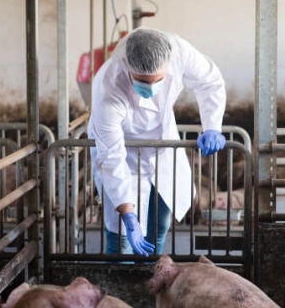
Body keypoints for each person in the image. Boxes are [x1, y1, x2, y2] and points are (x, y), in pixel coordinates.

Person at [86, 27, 227, 257]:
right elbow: (111, 159)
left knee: (160, 225)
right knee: (121, 236)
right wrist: (128, 215)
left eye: (158, 80)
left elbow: (210, 82)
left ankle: (150, 279)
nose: (151, 87)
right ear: (127, 69)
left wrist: (212, 126)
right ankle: (119, 284)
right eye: (142, 81)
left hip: (163, 147)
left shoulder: (179, 51)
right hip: (123, 151)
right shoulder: (108, 88)